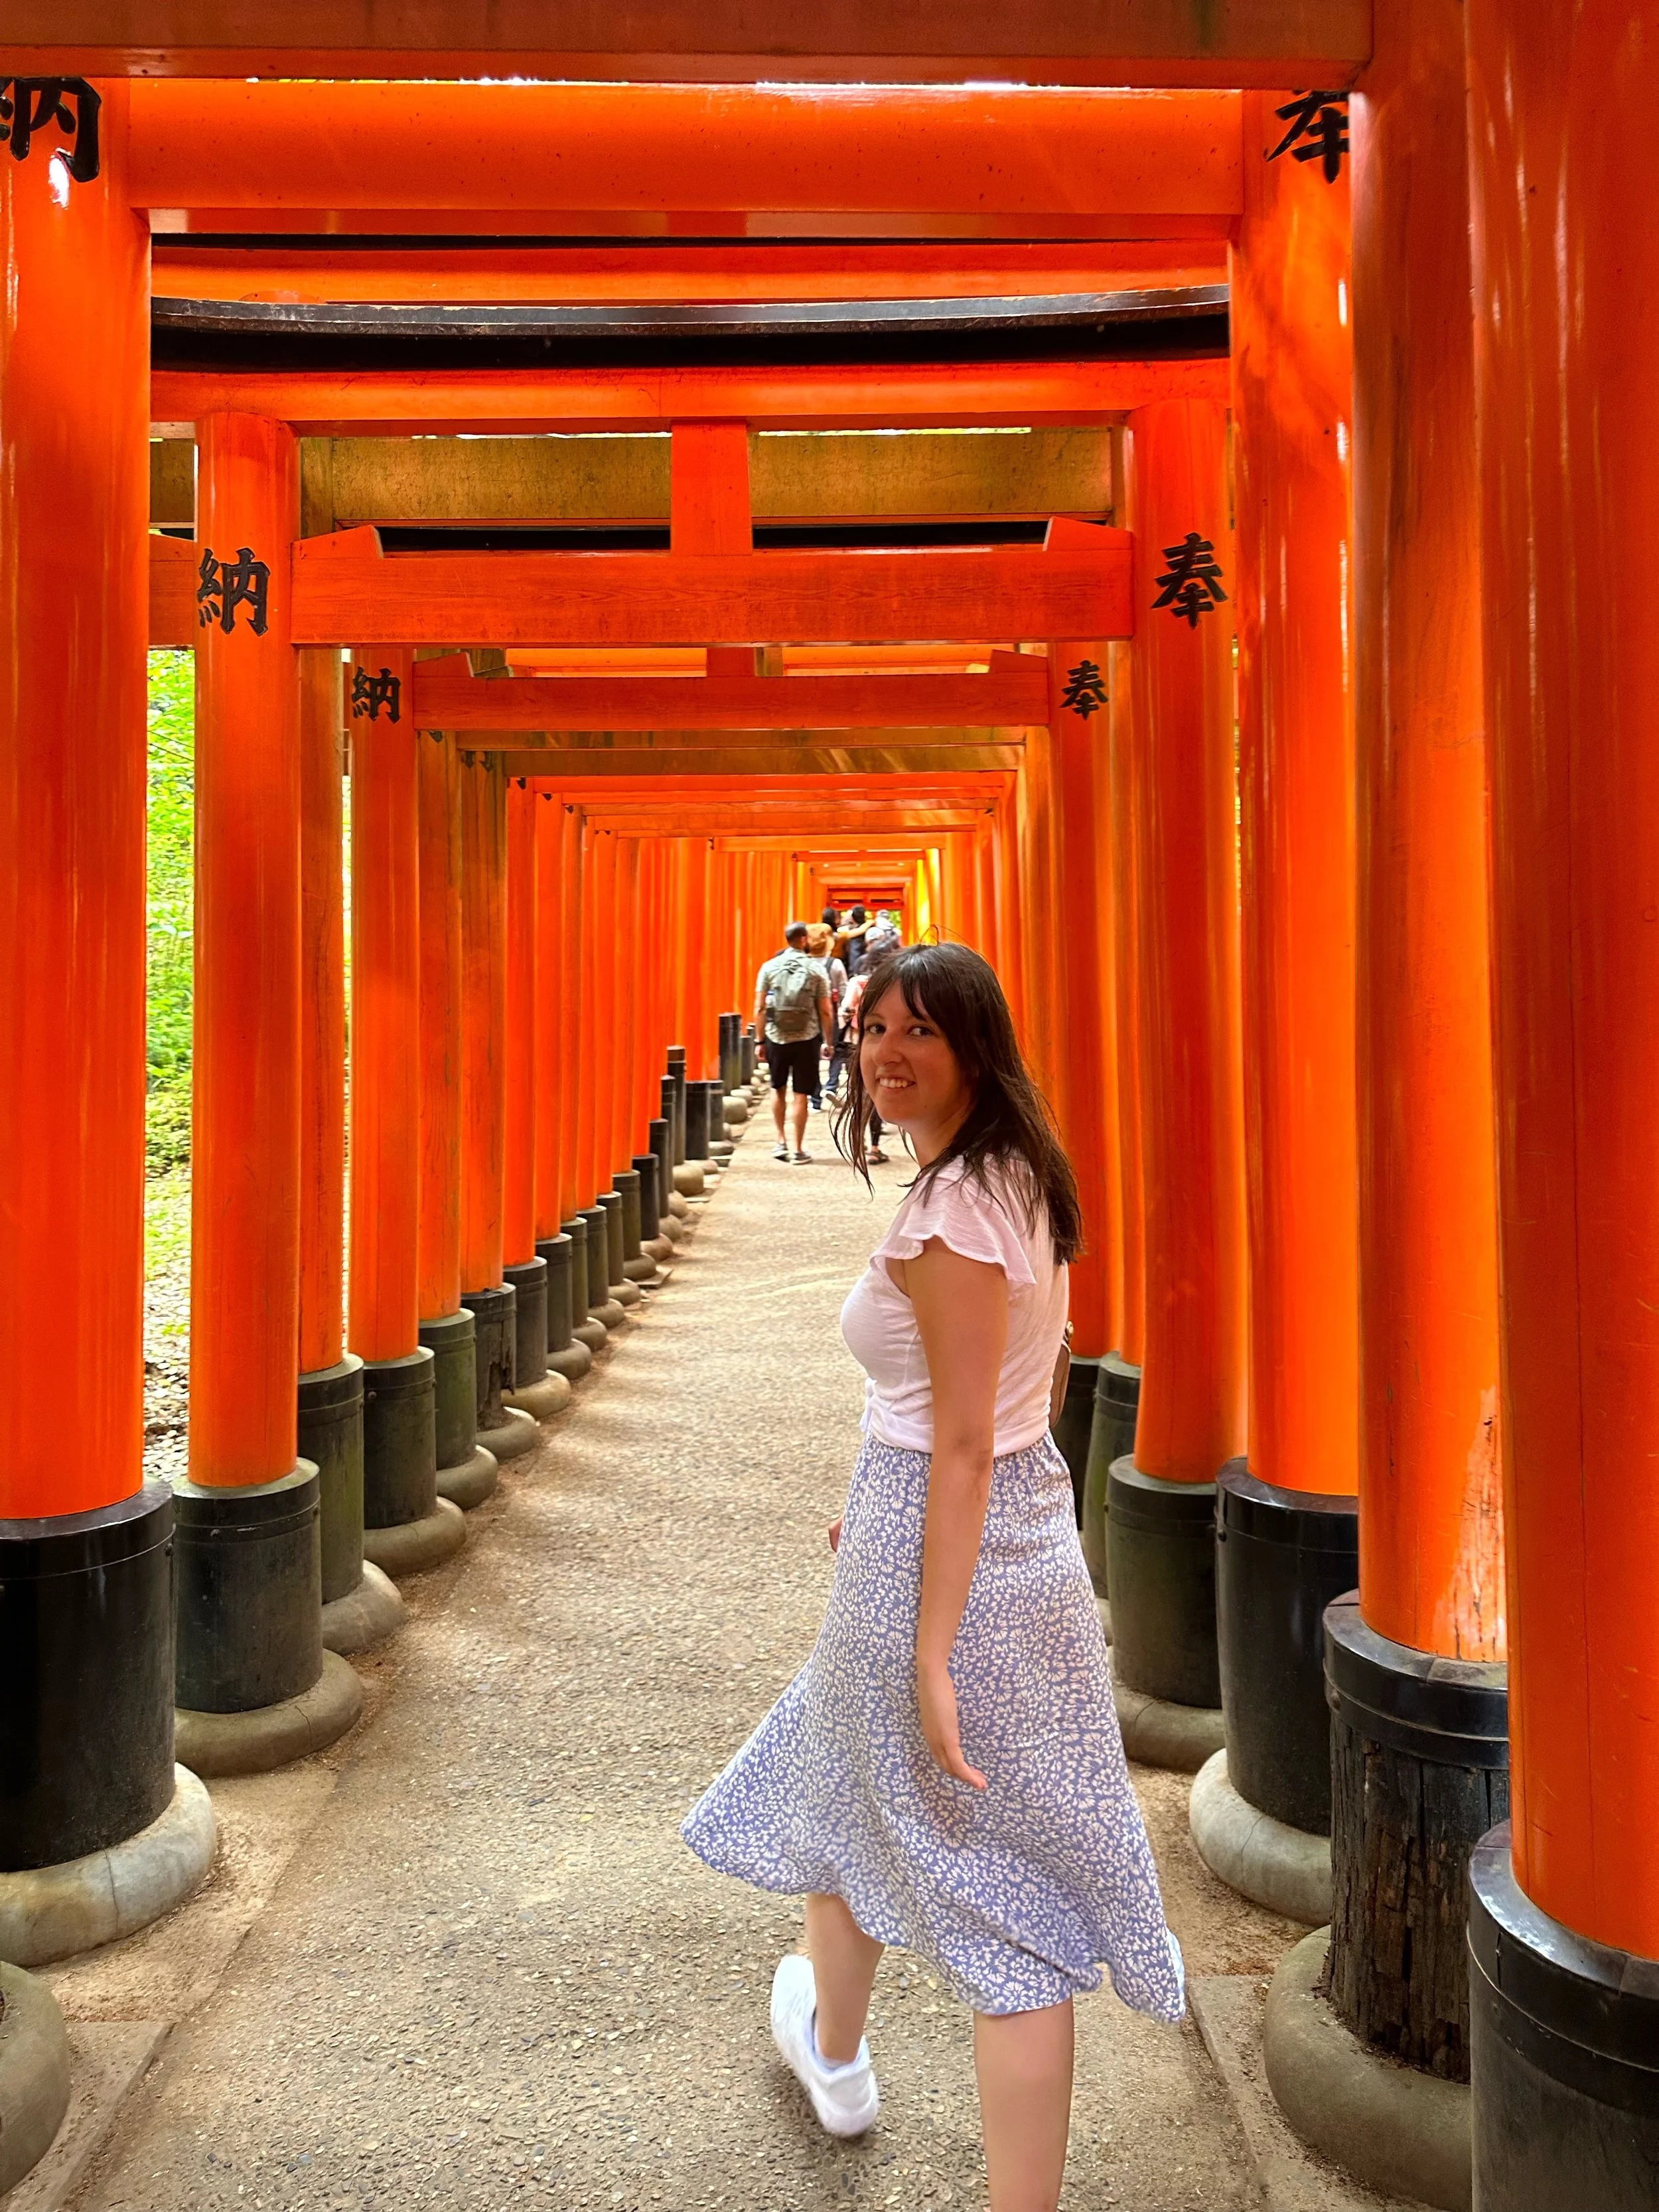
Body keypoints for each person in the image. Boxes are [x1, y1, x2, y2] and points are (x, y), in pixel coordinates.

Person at [684, 944, 1183, 2211]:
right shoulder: (1015, 1172)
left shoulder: (954, 1213)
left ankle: (875, 2080)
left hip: (946, 1542)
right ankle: (834, 2051)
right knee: (856, 1779)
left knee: (989, 1887)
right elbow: (1036, 1389)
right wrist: (891, 1510)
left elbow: (960, 1440)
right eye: (872, 1029)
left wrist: (928, 1644)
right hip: (996, 1521)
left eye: (921, 1032)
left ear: (977, 1047)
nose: (885, 1054)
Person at [753, 921, 833, 1164]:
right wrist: (828, 1041)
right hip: (807, 1037)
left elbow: (759, 1007)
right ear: (803, 940)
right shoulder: (816, 969)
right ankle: (798, 1149)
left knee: (777, 1088)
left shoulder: (769, 967)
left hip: (776, 1036)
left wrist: (760, 1041)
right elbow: (826, 1010)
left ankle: (780, 1141)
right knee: (801, 1095)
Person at [805, 924, 848, 1111]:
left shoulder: (804, 964)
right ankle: (831, 1085)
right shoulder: (835, 964)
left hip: (808, 1015)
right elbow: (845, 990)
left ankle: (815, 1097)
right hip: (831, 1011)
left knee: (811, 1054)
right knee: (836, 1050)